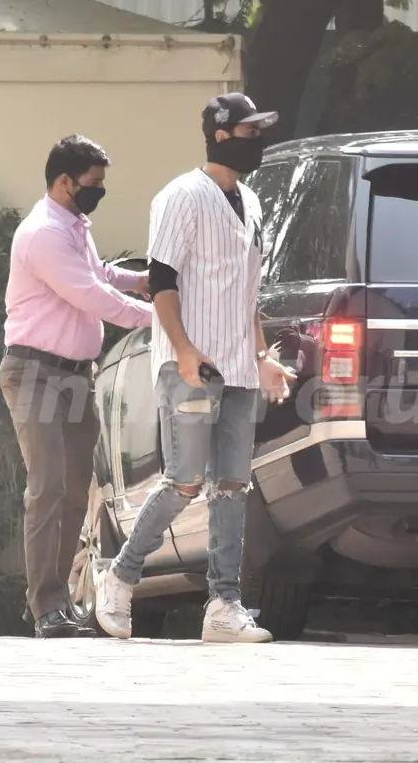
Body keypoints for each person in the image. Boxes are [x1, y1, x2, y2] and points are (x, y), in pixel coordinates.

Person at [95, 93, 296, 643]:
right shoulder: (181, 196)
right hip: (191, 364)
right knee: (183, 481)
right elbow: (162, 280)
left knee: (232, 485)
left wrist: (262, 357)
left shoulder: (251, 202)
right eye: (251, 131)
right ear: (222, 134)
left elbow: (247, 291)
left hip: (239, 368)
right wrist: (183, 350)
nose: (260, 140)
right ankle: (119, 575)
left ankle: (224, 606)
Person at [0, 134, 155, 639]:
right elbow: (90, 294)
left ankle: (56, 599)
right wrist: (164, 319)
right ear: (63, 181)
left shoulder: (73, 224)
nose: (98, 192)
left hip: (73, 376)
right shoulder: (43, 232)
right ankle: (45, 605)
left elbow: (99, 273)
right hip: (37, 373)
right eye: (92, 185)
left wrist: (142, 279)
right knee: (46, 489)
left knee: (72, 495)